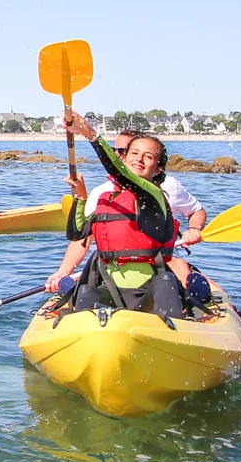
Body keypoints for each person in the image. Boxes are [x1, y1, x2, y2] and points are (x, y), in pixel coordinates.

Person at [41, 109, 189, 318]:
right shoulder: (106, 199)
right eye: (134, 154)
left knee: (165, 282)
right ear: (124, 157)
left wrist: (90, 134)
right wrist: (81, 198)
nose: (140, 159)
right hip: (112, 289)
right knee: (85, 291)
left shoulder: (153, 195)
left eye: (148, 157)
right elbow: (76, 234)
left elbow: (119, 173)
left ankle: (174, 329)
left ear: (157, 169)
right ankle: (82, 331)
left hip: (150, 291)